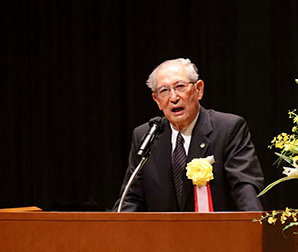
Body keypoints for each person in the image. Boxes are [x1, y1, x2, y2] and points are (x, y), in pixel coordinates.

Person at [113, 58, 264, 212]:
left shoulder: (228, 129)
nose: (173, 98)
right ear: (157, 100)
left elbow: (244, 188)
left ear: (199, 89)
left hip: (217, 233)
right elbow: (131, 198)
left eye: (180, 87)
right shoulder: (145, 136)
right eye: (164, 90)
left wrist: (253, 228)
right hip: (162, 235)